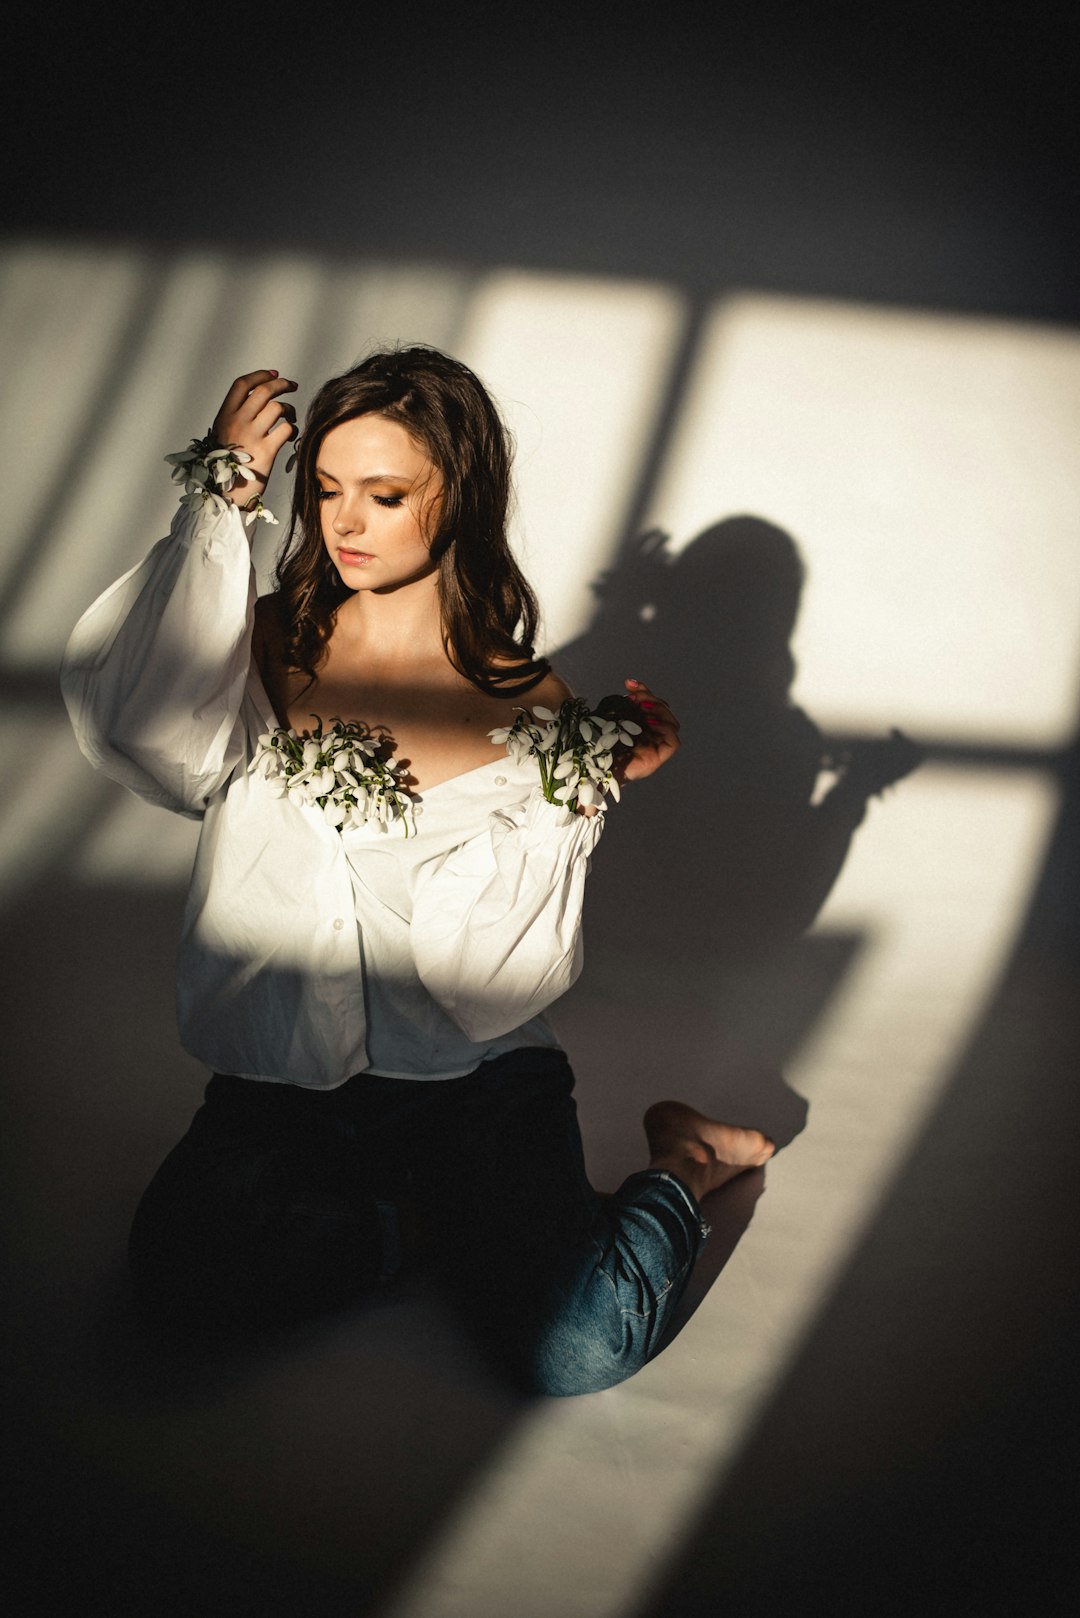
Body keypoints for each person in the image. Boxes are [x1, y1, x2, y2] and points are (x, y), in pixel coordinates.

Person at [61, 349, 775, 1396]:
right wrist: (221, 499)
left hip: (471, 1081)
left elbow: (497, 975)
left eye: (385, 495)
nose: (345, 523)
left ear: (458, 500)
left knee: (576, 1348)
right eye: (329, 489)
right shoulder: (256, 643)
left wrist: (576, 799)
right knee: (174, 1284)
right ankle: (420, 1229)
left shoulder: (530, 702)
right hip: (284, 1073)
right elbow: (145, 725)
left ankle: (685, 1159)